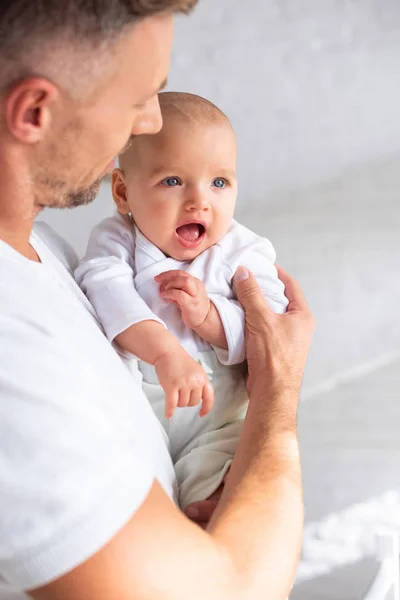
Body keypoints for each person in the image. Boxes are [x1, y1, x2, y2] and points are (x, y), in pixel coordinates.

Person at [0, 2, 315, 600]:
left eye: (219, 181)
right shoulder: (13, 348)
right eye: (140, 97)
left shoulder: (43, 250)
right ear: (36, 111)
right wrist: (280, 394)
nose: (149, 123)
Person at [75, 91, 289, 510]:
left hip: (219, 420)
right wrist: (165, 353)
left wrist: (210, 317)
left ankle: (206, 507)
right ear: (122, 192)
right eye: (172, 181)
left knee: (229, 479)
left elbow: (272, 327)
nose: (200, 201)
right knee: (127, 490)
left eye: (219, 182)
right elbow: (105, 289)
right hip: (141, 413)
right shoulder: (118, 240)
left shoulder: (243, 251)